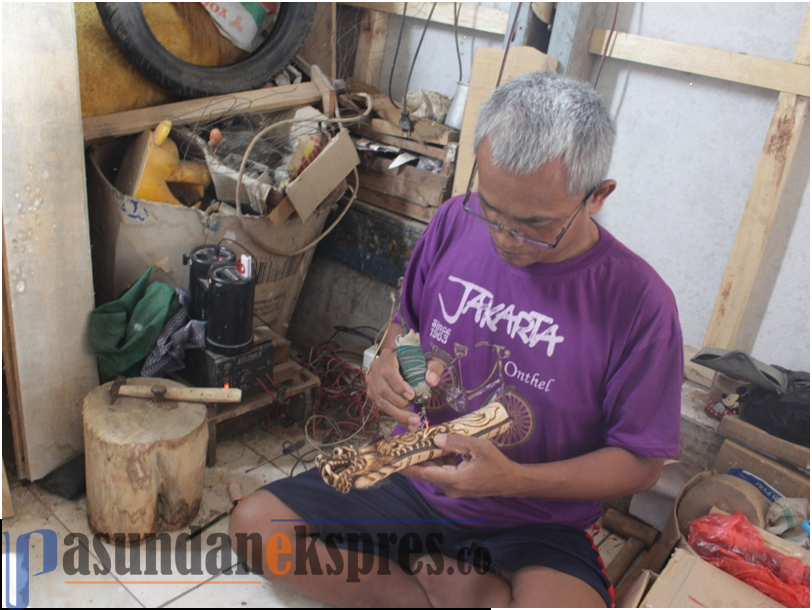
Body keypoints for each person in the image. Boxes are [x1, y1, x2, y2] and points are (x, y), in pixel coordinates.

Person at [229, 71, 683, 608]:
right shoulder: (452, 222)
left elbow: (640, 462)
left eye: (534, 226)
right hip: (414, 479)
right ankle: (429, 593)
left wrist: (513, 480)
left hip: (535, 518)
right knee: (258, 529)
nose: (504, 240)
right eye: (490, 210)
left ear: (597, 197)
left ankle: (453, 578)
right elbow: (407, 329)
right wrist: (389, 368)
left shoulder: (639, 302)